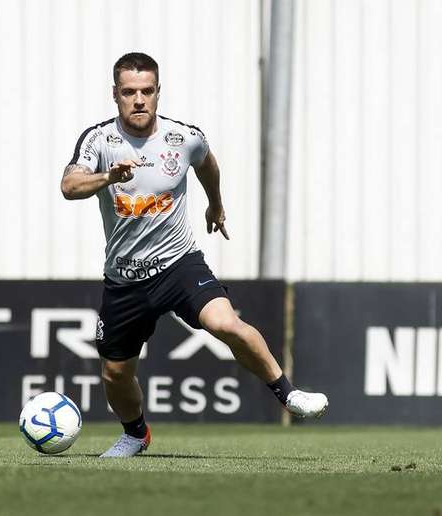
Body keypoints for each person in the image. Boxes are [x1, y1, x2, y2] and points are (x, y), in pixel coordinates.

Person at [60, 52, 328, 458]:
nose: (138, 100)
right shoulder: (99, 141)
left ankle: (289, 395)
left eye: (147, 91)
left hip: (178, 265)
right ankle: (135, 434)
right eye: (129, 92)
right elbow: (69, 185)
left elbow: (208, 165)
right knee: (115, 373)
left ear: (158, 93)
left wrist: (215, 205)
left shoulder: (183, 138)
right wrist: (107, 178)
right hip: (125, 279)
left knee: (226, 324)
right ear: (115, 94)